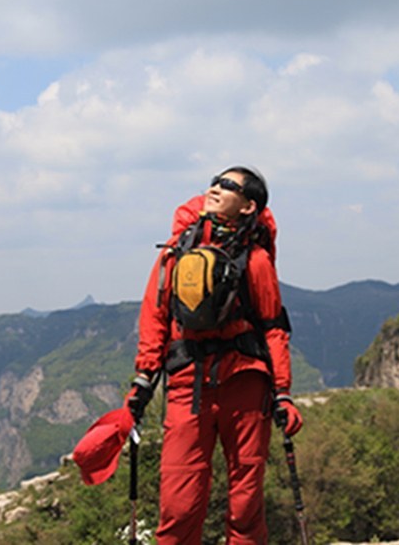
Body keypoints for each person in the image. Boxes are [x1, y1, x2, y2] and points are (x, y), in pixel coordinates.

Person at [126, 166, 303, 544]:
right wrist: (143, 379)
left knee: (245, 504)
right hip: (188, 382)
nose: (215, 188)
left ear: (248, 205)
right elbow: (155, 317)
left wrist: (283, 392)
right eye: (214, 181)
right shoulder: (176, 252)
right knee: (178, 504)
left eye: (228, 185)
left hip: (246, 383)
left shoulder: (255, 260)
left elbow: (273, 326)